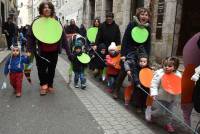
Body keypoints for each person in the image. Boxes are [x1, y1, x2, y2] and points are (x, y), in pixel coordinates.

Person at [27, 1, 72, 95]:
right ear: (41, 10)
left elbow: (63, 37)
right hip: (41, 51)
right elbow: (30, 37)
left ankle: (50, 84)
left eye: (49, 7)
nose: (47, 9)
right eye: (44, 7)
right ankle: (43, 85)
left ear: (51, 9)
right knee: (41, 69)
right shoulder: (36, 21)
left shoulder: (56, 21)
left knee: (52, 68)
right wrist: (29, 51)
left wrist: (69, 53)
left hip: (54, 50)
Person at [113, 7, 151, 99]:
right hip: (129, 51)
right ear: (138, 15)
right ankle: (116, 90)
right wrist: (123, 55)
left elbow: (148, 43)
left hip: (141, 53)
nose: (144, 16)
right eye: (142, 14)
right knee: (124, 71)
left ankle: (135, 98)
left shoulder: (148, 27)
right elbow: (125, 40)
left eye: (146, 15)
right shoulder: (132, 24)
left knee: (138, 74)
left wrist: (146, 56)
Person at [150, 57, 181, 133]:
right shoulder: (160, 73)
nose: (166, 67)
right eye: (165, 65)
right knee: (161, 112)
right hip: (161, 97)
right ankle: (152, 115)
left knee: (170, 113)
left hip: (172, 98)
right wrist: (154, 93)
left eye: (170, 66)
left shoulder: (178, 75)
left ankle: (168, 124)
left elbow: (179, 85)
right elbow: (154, 84)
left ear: (175, 67)